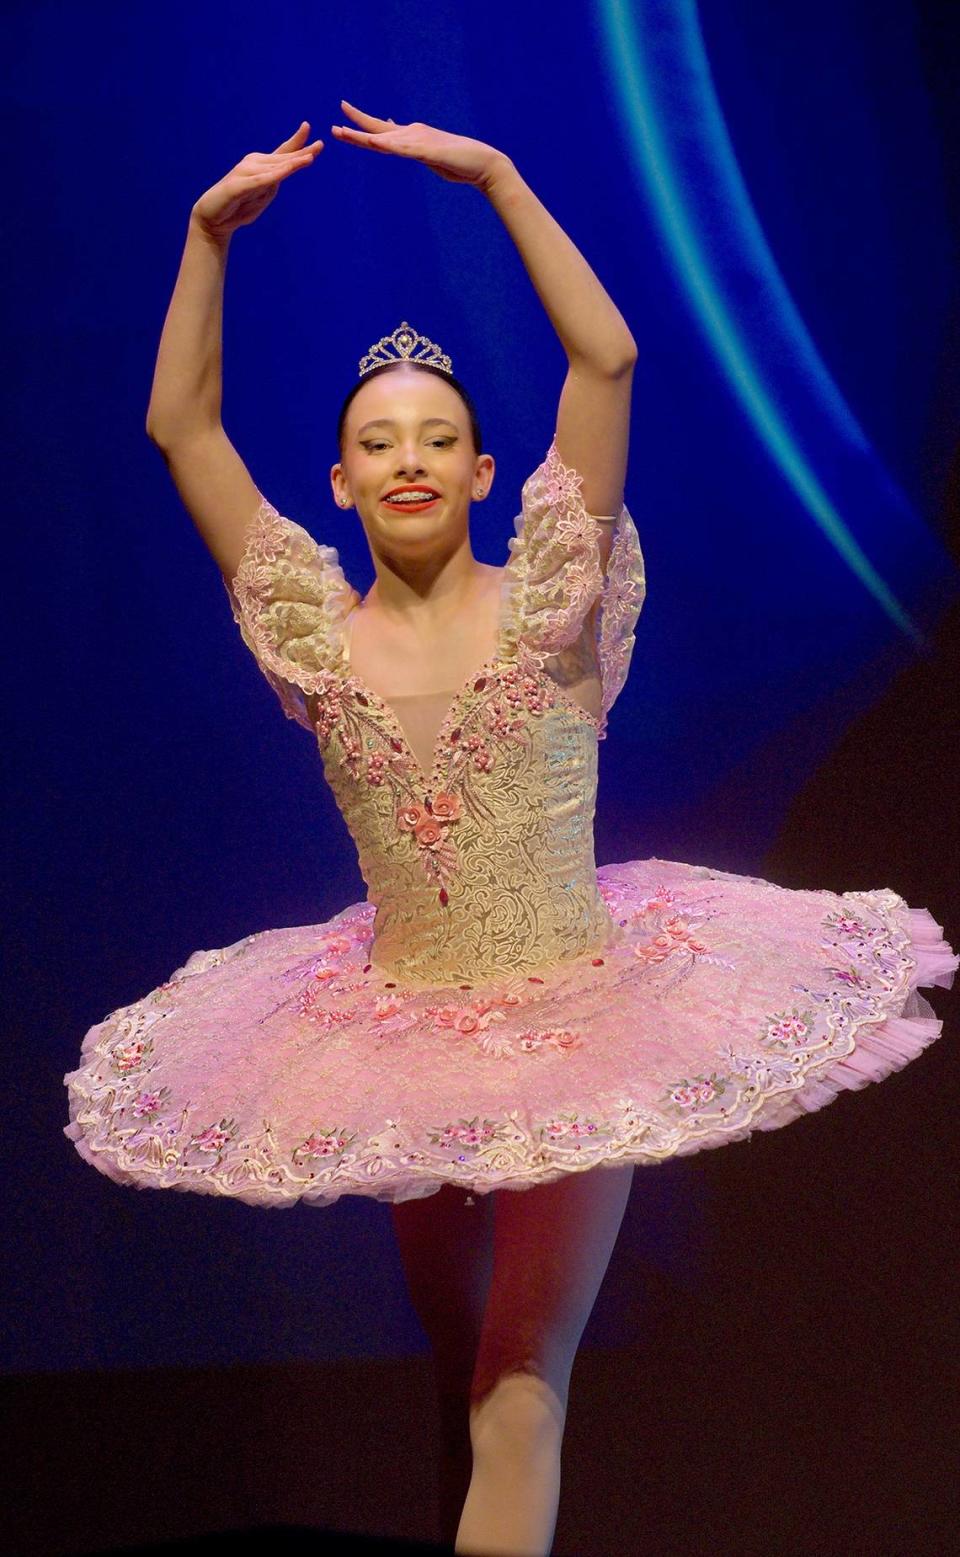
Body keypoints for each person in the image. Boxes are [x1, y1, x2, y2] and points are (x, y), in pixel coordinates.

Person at [63, 106, 958, 1557]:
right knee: (452, 1341)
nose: (408, 457)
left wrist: (499, 179)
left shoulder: (549, 599)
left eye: (439, 437)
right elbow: (181, 425)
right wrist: (202, 237)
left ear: (486, 473)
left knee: (519, 1379)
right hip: (392, 1023)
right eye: (375, 441)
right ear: (339, 482)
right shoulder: (309, 626)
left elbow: (606, 358)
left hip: (577, 1009)